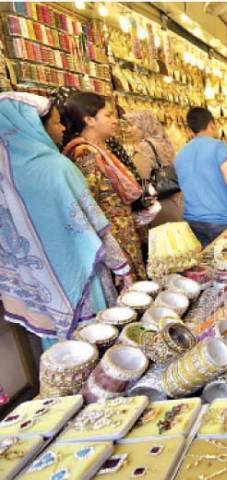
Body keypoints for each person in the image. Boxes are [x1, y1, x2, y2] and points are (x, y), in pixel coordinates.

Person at [0, 92, 132, 339]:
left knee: (64, 354)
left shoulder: (6, 177)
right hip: (82, 276)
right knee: (100, 341)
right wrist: (123, 268)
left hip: (43, 285)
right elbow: (93, 225)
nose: (62, 128)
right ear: (34, 127)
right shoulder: (56, 168)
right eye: (56, 122)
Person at [61, 92, 147, 280]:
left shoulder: (102, 149)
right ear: (89, 120)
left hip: (123, 233)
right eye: (108, 115)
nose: (114, 120)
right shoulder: (86, 155)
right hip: (113, 241)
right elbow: (89, 205)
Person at [174, 107, 227, 246]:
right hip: (220, 220)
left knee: (204, 264)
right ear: (212, 124)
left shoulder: (180, 153)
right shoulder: (219, 146)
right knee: (226, 264)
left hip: (192, 221)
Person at [125, 110, 183, 227]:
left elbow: (140, 178)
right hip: (176, 202)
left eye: (132, 125)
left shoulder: (145, 147)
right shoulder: (163, 142)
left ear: (144, 125)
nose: (128, 130)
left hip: (160, 208)